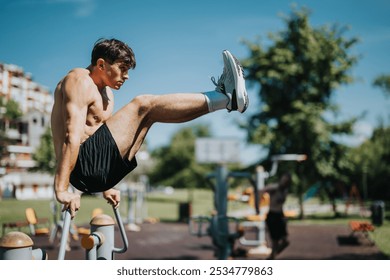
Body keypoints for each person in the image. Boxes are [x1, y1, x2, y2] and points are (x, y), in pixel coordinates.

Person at [51, 38, 249, 218]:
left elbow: (104, 142)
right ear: (101, 64)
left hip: (95, 170)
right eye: (122, 69)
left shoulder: (107, 95)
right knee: (143, 104)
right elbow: (71, 136)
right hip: (80, 169)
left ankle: (225, 101)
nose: (126, 76)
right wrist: (61, 189)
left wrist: (106, 187)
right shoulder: (79, 81)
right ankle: (224, 97)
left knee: (149, 115)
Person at [259, 173, 292, 259]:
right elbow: (261, 191)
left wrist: (284, 217)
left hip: (280, 215)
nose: (285, 182)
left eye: (287, 180)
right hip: (272, 215)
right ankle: (272, 256)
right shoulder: (274, 188)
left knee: (285, 241)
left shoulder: (285, 190)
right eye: (284, 179)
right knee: (275, 240)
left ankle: (272, 256)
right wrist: (257, 205)